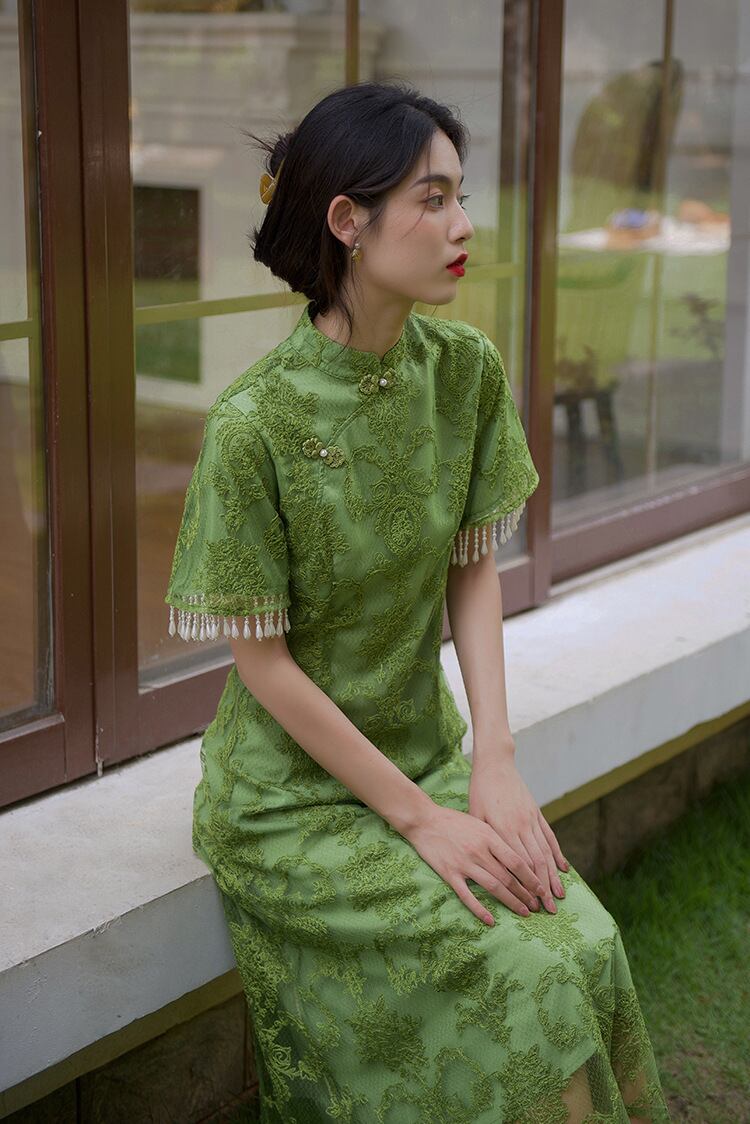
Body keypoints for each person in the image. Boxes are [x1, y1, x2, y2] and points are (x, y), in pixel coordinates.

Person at [165, 80, 671, 1123]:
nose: (464, 225)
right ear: (347, 222)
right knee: (524, 982)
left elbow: (471, 567)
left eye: (460, 196)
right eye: (432, 200)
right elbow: (263, 665)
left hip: (431, 752)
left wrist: (495, 759)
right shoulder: (253, 425)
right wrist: (420, 820)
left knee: (588, 943)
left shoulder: (465, 371)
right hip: (291, 799)